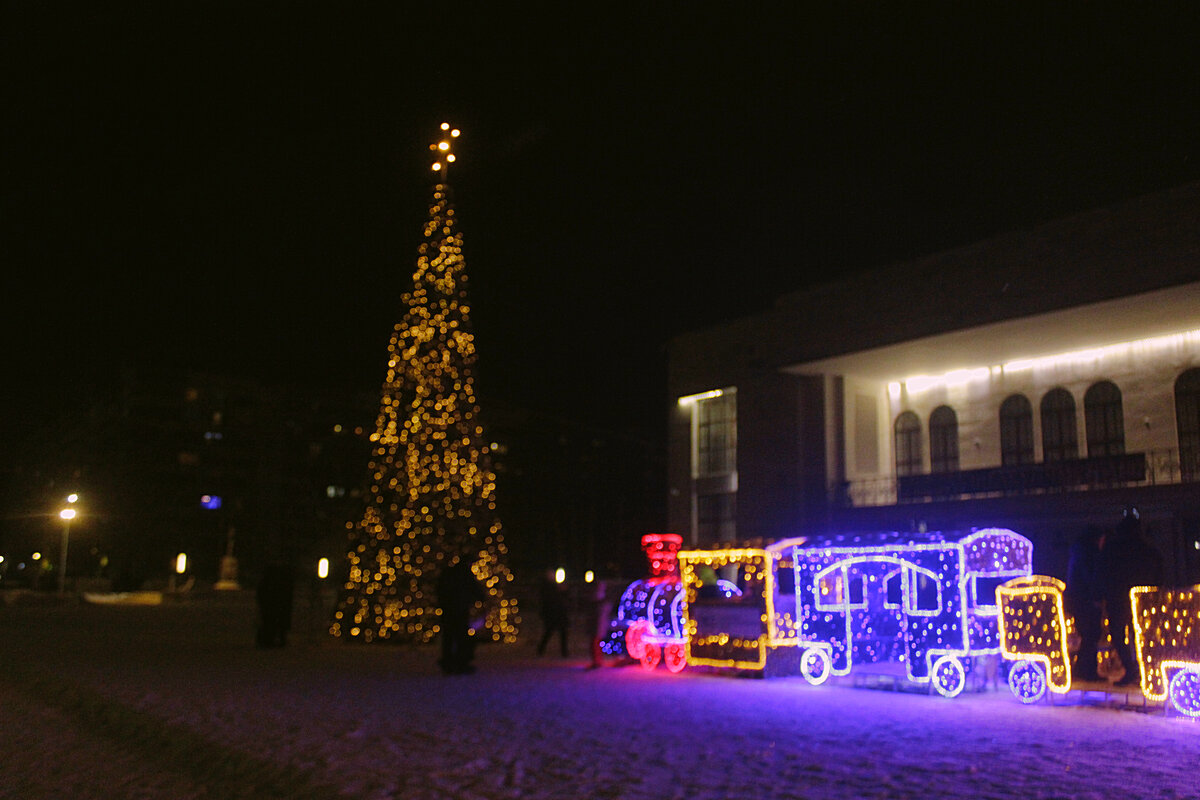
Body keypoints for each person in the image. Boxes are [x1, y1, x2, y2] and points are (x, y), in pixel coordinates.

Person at [1101, 507, 1163, 687]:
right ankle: (1146, 670)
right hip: (1144, 599)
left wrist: (1103, 593)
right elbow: (1159, 570)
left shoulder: (1113, 546)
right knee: (1143, 635)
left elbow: (1104, 571)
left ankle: (1131, 668)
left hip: (1118, 596)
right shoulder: (1147, 547)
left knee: (1119, 634)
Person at [1064, 526, 1105, 681]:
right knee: (1091, 634)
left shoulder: (1079, 553)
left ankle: (1082, 670)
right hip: (1085, 600)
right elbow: (1090, 578)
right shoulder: (1088, 555)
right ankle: (1086, 671)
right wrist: (1096, 596)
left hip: (1078, 599)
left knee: (1088, 635)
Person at [436, 554, 485, 675]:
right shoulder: (465, 575)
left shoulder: (448, 573)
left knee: (449, 637)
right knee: (461, 637)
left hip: (448, 610)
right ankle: (460, 663)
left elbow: (439, 589)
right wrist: (481, 598)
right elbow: (474, 589)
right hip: (460, 610)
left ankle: (448, 662)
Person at [256, 559, 295, 648]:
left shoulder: (270, 580)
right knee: (275, 622)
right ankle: (272, 639)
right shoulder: (283, 580)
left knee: (271, 622)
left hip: (272, 605)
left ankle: (270, 639)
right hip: (276, 604)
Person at [536, 570, 570, 657]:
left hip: (558, 612)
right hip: (552, 612)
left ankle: (564, 651)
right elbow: (548, 599)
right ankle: (541, 649)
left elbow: (564, 597)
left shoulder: (553, 586)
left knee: (561, 632)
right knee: (550, 631)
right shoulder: (547, 587)